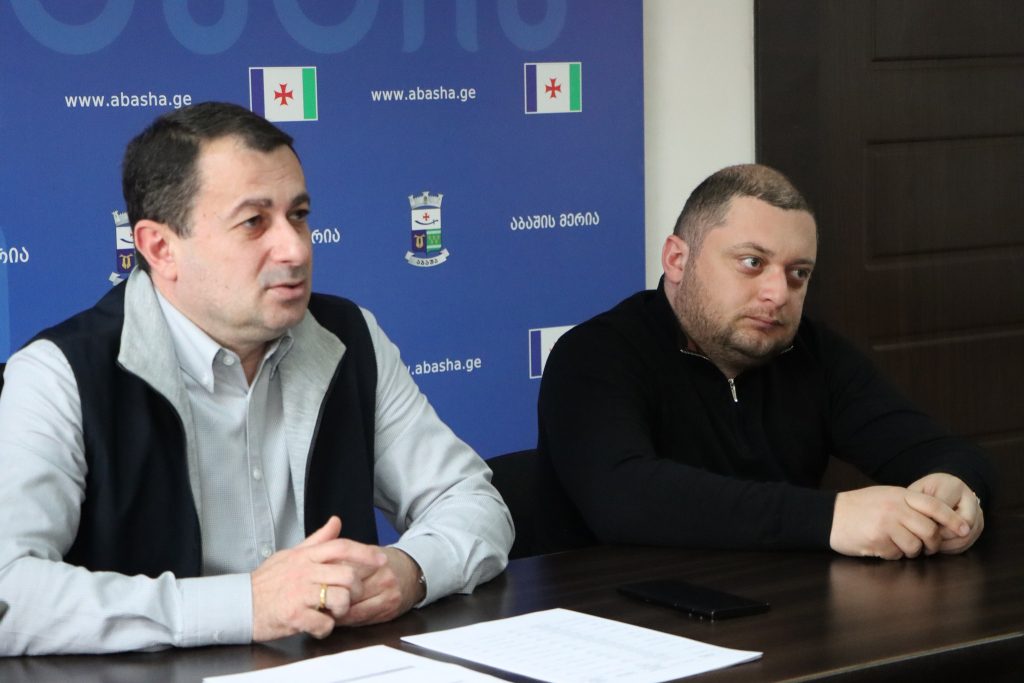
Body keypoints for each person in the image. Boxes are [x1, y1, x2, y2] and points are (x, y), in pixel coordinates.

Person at [0, 102, 512, 655]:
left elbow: (471, 500)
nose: (296, 248)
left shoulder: (348, 336)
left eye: (299, 214)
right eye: (254, 222)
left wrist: (410, 571)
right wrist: (247, 605)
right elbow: (9, 590)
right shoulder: (59, 375)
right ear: (160, 248)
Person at [538, 164, 992, 561]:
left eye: (798, 273)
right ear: (677, 259)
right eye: (752, 262)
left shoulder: (812, 352)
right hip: (611, 612)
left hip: (774, 606)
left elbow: (941, 450)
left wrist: (955, 486)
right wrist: (831, 518)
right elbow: (623, 496)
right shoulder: (596, 353)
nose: (778, 294)